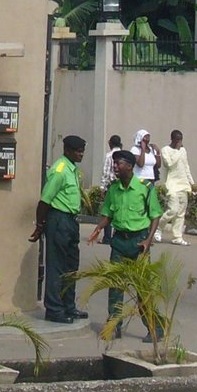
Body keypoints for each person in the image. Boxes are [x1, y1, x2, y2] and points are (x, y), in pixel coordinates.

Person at [88, 149, 164, 338]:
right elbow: (108, 214)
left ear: (129, 166)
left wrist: (148, 239)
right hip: (119, 242)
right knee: (115, 286)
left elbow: (155, 215)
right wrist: (98, 229)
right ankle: (115, 325)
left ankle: (155, 329)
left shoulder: (144, 187)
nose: (115, 167)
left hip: (139, 243)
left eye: (119, 163)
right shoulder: (113, 189)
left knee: (142, 289)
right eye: (114, 163)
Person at [30, 134, 88, 323]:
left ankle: (68, 306)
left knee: (71, 266)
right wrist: (40, 226)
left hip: (71, 221)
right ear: (67, 151)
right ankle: (54, 309)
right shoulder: (60, 170)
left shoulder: (72, 169)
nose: (81, 155)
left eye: (82, 151)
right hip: (58, 219)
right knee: (57, 266)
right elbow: (45, 200)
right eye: (78, 151)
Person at [160, 129, 196, 246]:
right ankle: (157, 228)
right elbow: (169, 164)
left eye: (181, 140)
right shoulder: (166, 150)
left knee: (180, 213)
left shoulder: (183, 151)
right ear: (173, 139)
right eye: (177, 140)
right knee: (173, 210)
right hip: (172, 185)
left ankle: (177, 237)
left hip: (183, 185)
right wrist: (177, 151)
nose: (180, 142)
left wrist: (192, 182)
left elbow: (186, 167)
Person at [133, 129, 162, 240]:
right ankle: (139, 233)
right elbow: (140, 164)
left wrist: (158, 153)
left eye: (149, 136)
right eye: (145, 136)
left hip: (151, 181)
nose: (148, 139)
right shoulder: (135, 149)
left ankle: (148, 235)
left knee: (150, 208)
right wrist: (143, 149)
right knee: (141, 207)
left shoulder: (152, 150)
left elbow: (158, 165)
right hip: (140, 180)